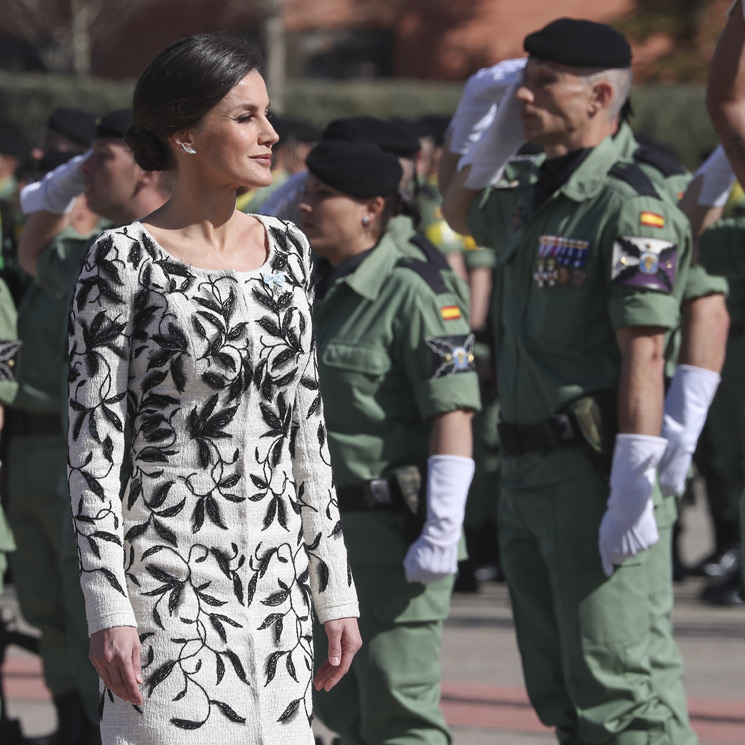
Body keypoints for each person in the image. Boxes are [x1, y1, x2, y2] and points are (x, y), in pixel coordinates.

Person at [66, 34, 360, 744]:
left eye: (267, 114)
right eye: (245, 116)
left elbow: (307, 435)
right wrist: (109, 607)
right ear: (183, 134)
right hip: (164, 593)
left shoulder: (288, 250)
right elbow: (91, 450)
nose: (271, 134)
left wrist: (334, 588)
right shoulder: (123, 258)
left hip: (276, 592)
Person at [441, 18, 696, 744]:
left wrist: (631, 483)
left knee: (622, 692)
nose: (524, 93)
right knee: (560, 690)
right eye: (525, 77)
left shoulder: (628, 201)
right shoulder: (530, 185)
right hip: (527, 473)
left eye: (543, 80)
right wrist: (478, 125)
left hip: (591, 474)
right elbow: (458, 209)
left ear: (600, 96)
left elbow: (644, 350)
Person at [301, 139, 480, 744]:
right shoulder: (310, 286)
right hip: (320, 537)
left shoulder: (413, 290)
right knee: (340, 709)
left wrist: (442, 529)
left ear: (371, 208)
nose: (306, 204)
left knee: (399, 709)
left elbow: (452, 411)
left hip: (390, 533)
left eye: (324, 195)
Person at [15, 109, 171, 742]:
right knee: (88, 642)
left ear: (141, 164)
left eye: (97, 157)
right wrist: (54, 190)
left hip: (163, 501)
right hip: (92, 490)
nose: (82, 170)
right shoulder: (94, 255)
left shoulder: (187, 254)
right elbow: (32, 251)